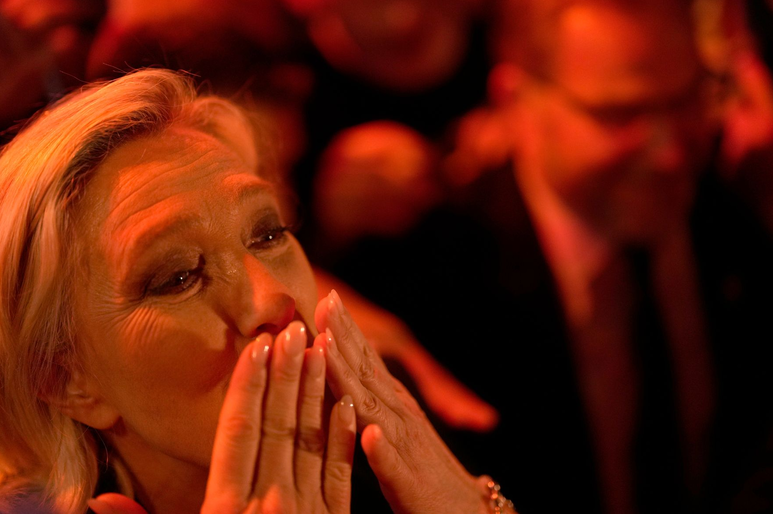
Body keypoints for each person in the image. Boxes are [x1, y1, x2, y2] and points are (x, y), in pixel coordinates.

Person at [322, 0, 773, 513]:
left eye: (687, 99)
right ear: (517, 102)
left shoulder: (748, 223)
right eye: (620, 116)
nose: (670, 150)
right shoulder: (430, 281)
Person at [0, 69, 515, 514]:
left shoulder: (395, 452)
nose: (272, 299)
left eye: (267, 234)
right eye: (178, 277)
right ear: (67, 381)